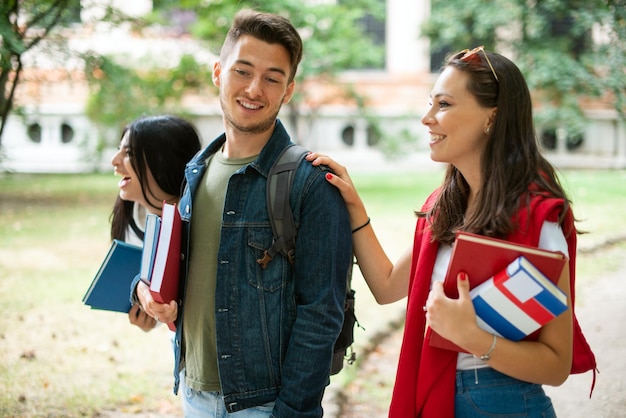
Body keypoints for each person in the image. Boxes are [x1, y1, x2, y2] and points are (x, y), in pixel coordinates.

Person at [308, 47, 597, 417]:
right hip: (437, 396)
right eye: (430, 104)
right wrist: (354, 207)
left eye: (443, 105)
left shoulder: (538, 219)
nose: (427, 118)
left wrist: (472, 337)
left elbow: (557, 364)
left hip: (503, 402)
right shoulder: (443, 208)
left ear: (492, 117)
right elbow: (386, 286)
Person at [132, 9, 353, 417]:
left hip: (265, 405)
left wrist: (290, 410)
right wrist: (148, 293)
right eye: (243, 71)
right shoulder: (196, 169)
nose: (255, 88)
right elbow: (186, 269)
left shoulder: (311, 183)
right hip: (194, 394)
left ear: (288, 91)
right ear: (218, 72)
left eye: (272, 78)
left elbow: (322, 312)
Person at [111, 114, 202, 332]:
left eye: (129, 153)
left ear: (163, 161)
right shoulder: (144, 219)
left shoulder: (201, 224)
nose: (114, 161)